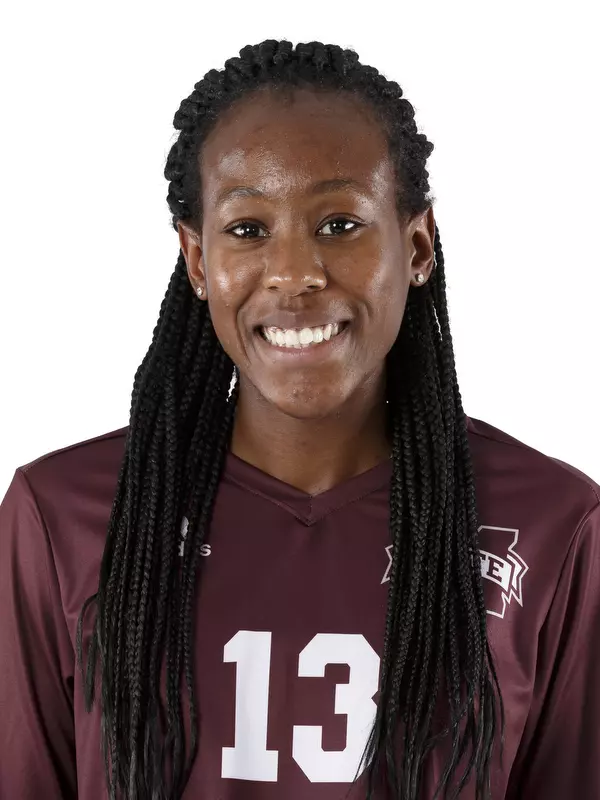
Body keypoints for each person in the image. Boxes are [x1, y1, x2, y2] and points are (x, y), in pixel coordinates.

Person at [0, 38, 598, 800]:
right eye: (248, 230)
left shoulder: (552, 525)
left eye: (340, 224)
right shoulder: (63, 518)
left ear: (417, 244)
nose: (295, 273)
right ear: (196, 260)